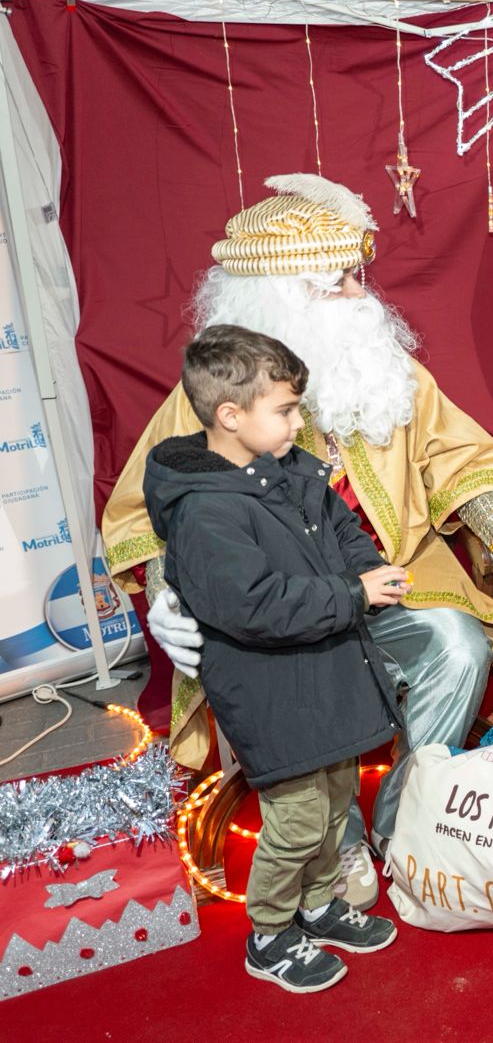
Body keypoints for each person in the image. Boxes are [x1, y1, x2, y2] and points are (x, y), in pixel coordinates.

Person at [102, 174, 493, 908]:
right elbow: (144, 513)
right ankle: (334, 848)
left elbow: (455, 453)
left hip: (391, 578)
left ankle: (408, 820)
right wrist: (166, 595)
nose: (359, 297)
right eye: (334, 282)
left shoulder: (385, 369)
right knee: (313, 681)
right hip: (284, 610)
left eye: (353, 276)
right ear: (277, 299)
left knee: (461, 648)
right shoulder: (214, 402)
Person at [145, 326, 402, 994]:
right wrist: (353, 593)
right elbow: (257, 606)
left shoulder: (285, 469)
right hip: (272, 691)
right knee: (295, 820)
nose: (297, 421)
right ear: (231, 416)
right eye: (285, 410)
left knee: (337, 796)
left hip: (329, 669)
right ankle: (270, 933)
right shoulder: (205, 511)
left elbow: (341, 529)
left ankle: (317, 903)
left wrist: (365, 569)